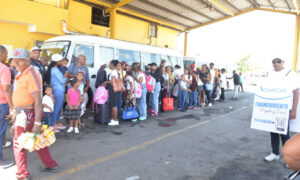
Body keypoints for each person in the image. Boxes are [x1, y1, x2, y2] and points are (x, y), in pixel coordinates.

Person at [11, 48, 58, 180]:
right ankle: (51, 164)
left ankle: (22, 174)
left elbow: (38, 100)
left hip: (27, 115)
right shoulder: (22, 73)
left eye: (19, 61)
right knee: (37, 140)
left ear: (27, 61)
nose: (15, 64)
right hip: (24, 114)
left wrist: (37, 122)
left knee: (18, 144)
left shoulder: (31, 74)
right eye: (14, 61)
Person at [263, 58, 299, 162]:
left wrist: (294, 110)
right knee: (273, 132)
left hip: (284, 109)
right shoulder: (269, 73)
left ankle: (290, 158)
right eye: (273, 61)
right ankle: (275, 153)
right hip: (271, 109)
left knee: (284, 134)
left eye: (278, 61)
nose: (275, 63)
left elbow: (296, 92)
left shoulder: (290, 73)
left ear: (283, 62)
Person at [45, 54, 68, 133]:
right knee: (57, 108)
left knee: (58, 107)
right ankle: (52, 124)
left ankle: (56, 122)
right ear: (57, 62)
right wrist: (65, 76)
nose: (62, 62)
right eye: (61, 60)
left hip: (58, 90)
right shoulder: (55, 70)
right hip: (58, 90)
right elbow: (62, 81)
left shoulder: (55, 69)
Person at [0, 45, 14, 168]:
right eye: (5, 55)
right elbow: (6, 89)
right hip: (1, 104)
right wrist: (12, 106)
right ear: (1, 54)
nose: (6, 57)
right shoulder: (4, 68)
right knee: (0, 131)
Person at [103, 60, 121, 126]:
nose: (109, 65)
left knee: (114, 105)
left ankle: (115, 120)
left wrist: (106, 82)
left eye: (110, 64)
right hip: (115, 90)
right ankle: (113, 119)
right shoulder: (116, 72)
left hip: (113, 89)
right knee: (114, 105)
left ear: (112, 65)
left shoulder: (113, 72)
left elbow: (112, 81)